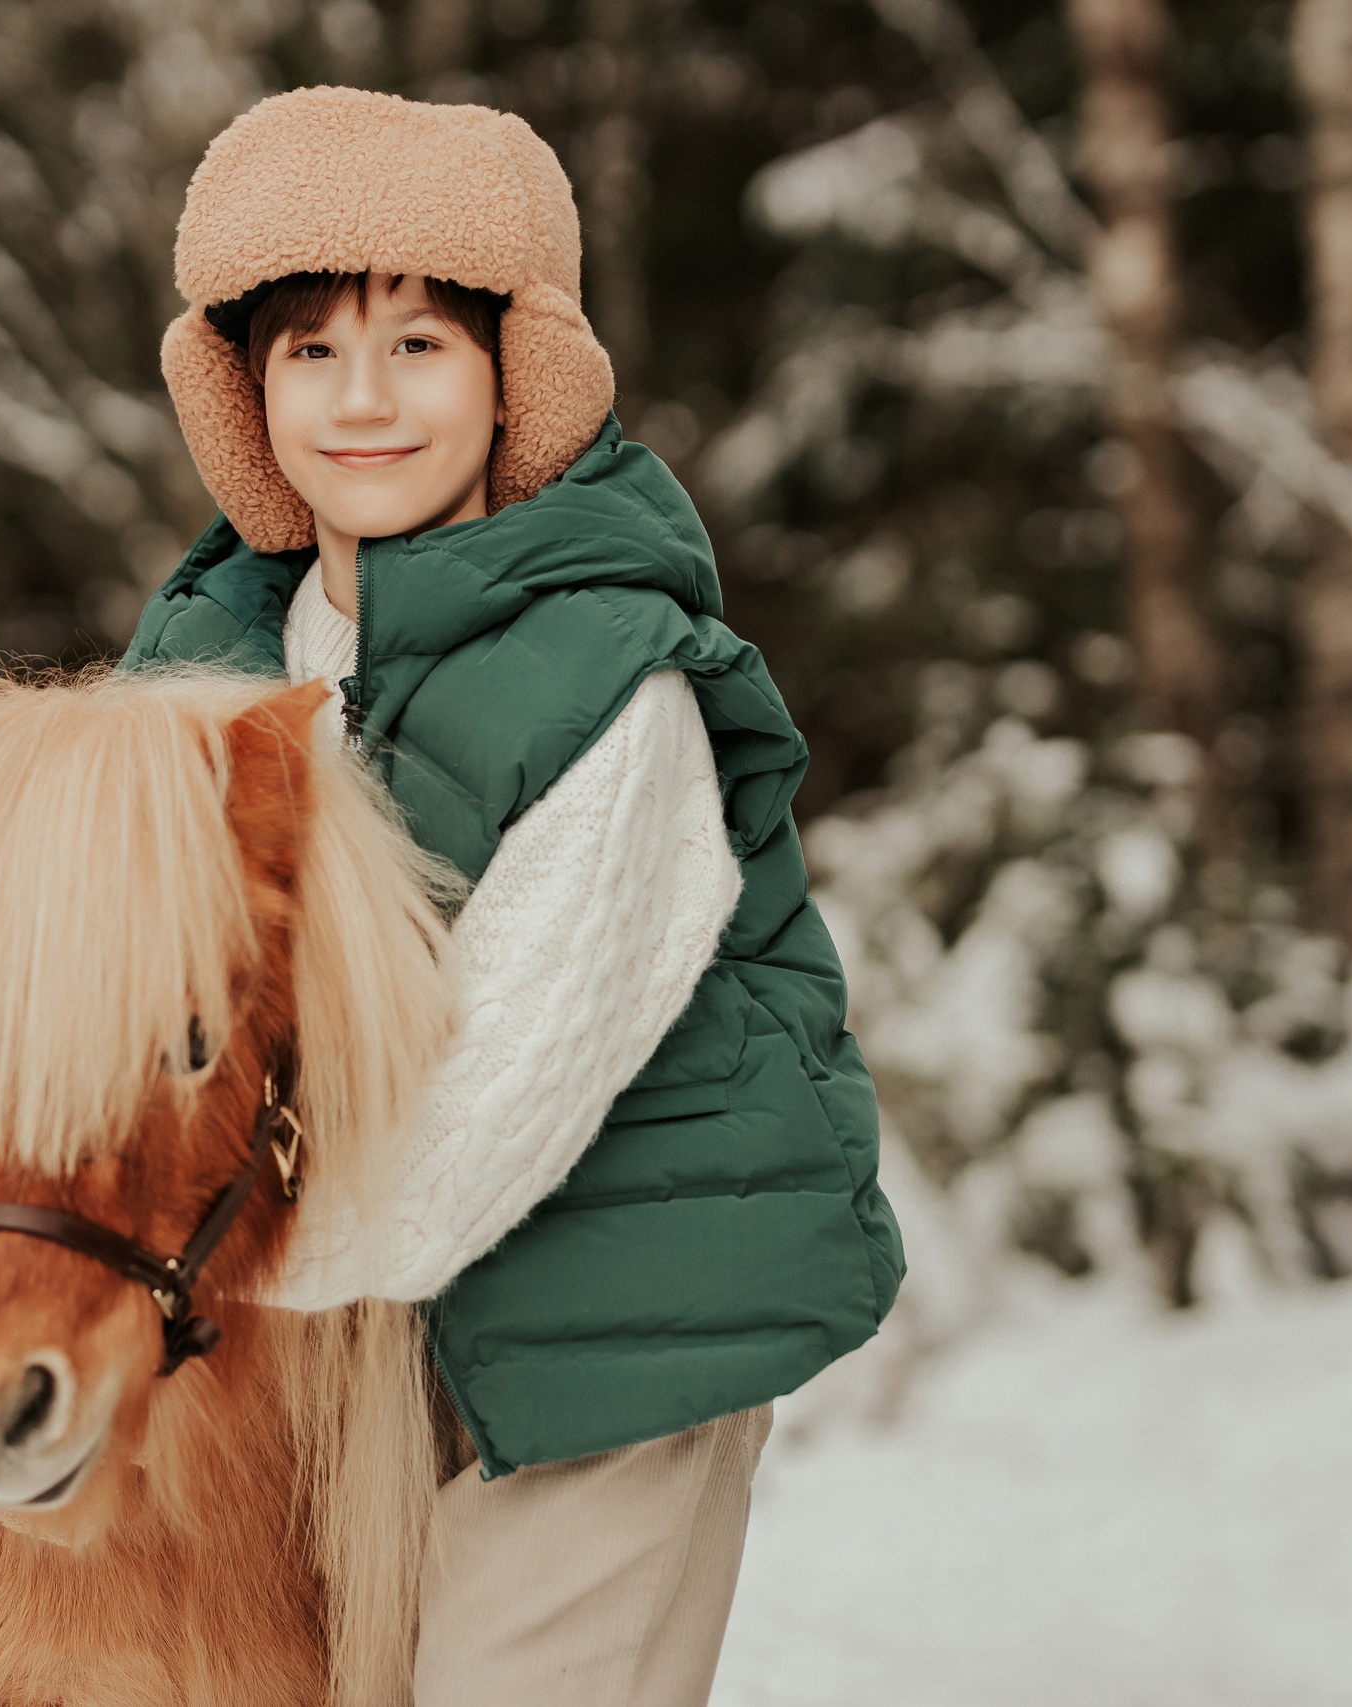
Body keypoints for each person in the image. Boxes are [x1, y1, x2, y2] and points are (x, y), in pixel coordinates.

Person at [122, 86, 904, 1707]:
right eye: (310, 353)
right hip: (341, 1352)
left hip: (618, 1315)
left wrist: (160, 1261)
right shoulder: (208, 663)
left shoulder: (619, 678)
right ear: (242, 391)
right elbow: (75, 994)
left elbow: (492, 1104)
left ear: (513, 374)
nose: (363, 403)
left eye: (419, 347)